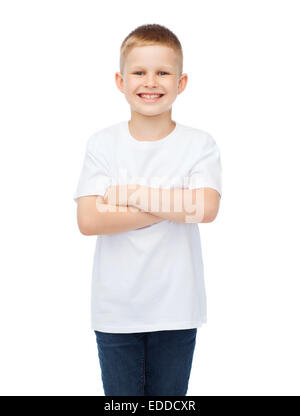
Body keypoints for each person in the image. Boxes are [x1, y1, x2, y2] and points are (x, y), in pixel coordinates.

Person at [73, 23, 222, 396]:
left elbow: (205, 208)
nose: (150, 82)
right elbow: (89, 220)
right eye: (139, 72)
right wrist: (173, 204)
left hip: (177, 308)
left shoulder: (199, 144)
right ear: (120, 81)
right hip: (115, 311)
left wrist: (132, 195)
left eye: (163, 72)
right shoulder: (103, 143)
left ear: (181, 82)